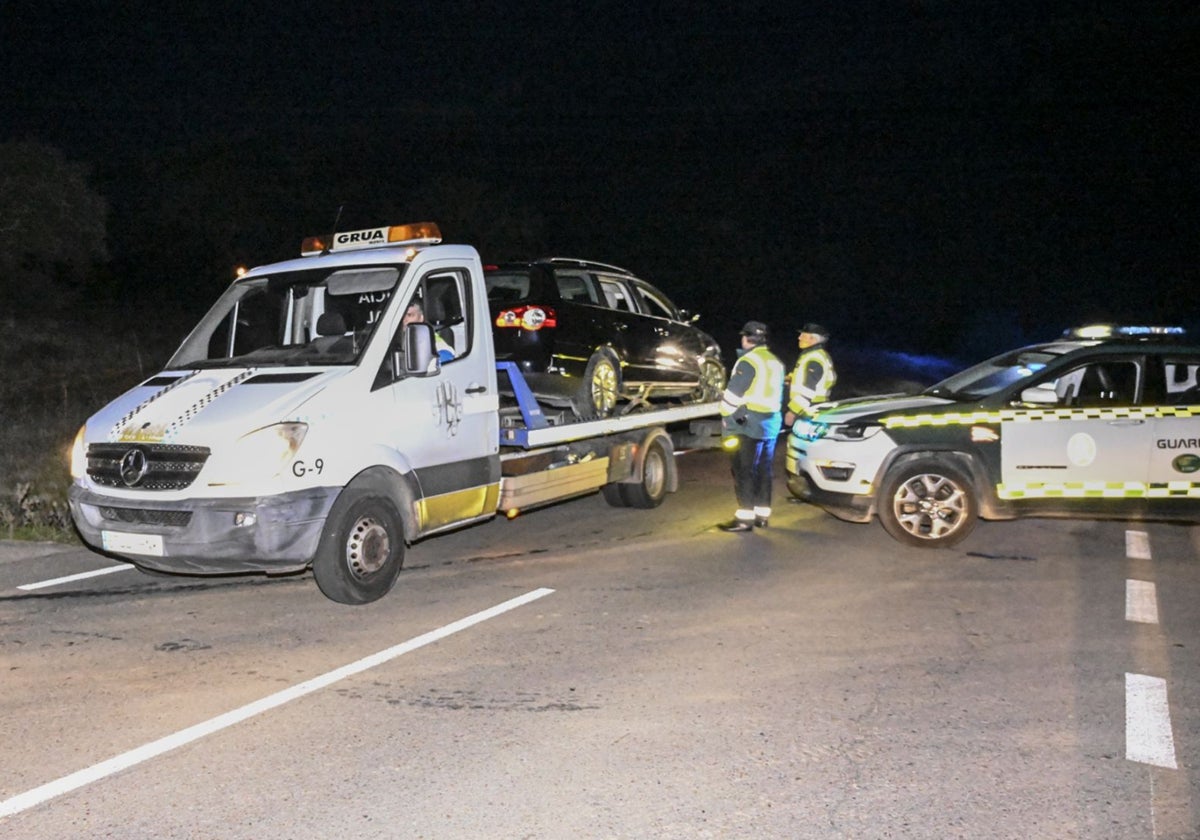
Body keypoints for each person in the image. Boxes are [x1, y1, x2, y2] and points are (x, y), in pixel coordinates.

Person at [717, 321, 785, 532]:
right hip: (771, 422)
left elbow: (732, 395)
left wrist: (726, 415)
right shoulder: (775, 361)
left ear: (746, 338)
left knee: (743, 470)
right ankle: (762, 516)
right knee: (763, 470)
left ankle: (745, 519)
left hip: (748, 424)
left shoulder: (748, 361)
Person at [784, 323, 836, 427]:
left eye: (803, 335)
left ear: (813, 339)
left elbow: (808, 390)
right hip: (811, 406)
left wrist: (793, 411)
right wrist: (789, 378)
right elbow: (804, 377)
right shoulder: (813, 355)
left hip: (810, 407)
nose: (799, 338)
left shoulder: (814, 358)